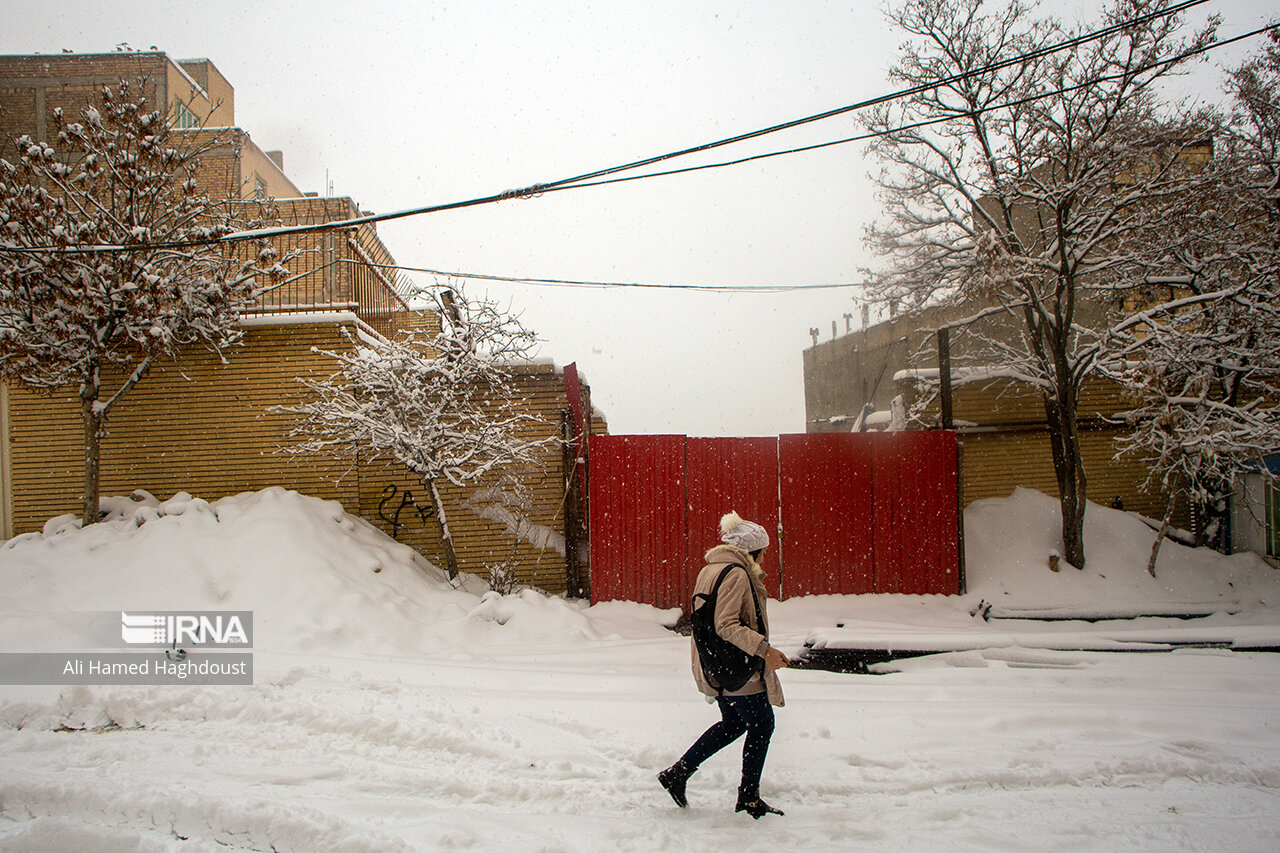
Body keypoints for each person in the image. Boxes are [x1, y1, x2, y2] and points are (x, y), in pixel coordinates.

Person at [658, 510, 789, 818]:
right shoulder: (737, 573)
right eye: (763, 552)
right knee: (762, 725)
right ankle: (749, 797)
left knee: (734, 724)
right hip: (737, 666)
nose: (765, 558)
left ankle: (678, 773)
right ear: (751, 551)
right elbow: (726, 625)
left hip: (715, 663)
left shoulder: (712, 569)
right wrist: (764, 650)